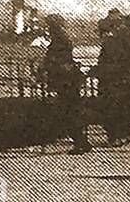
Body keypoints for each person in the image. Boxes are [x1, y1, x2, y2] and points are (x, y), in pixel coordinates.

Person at [37, 14, 90, 153]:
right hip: (69, 80)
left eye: (49, 26)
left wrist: (43, 69)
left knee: (68, 111)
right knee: (72, 110)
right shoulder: (63, 38)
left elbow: (55, 60)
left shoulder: (58, 41)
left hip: (65, 81)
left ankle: (80, 143)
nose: (48, 29)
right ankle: (82, 141)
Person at [92, 12, 128, 145]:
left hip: (110, 82)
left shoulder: (108, 43)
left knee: (110, 108)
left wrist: (95, 71)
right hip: (120, 80)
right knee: (119, 107)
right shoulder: (120, 41)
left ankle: (114, 137)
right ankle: (121, 135)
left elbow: (106, 64)